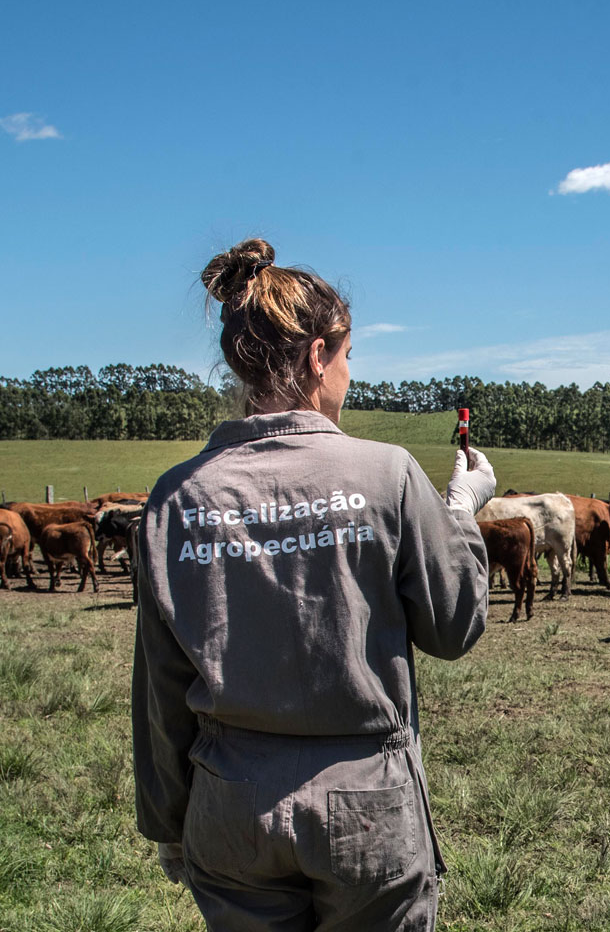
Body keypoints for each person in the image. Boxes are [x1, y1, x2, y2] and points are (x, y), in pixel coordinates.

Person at [132, 238, 494, 930]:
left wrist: (170, 823)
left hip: (230, 799)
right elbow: (454, 626)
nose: (349, 376)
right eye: (349, 356)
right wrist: (462, 508)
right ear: (319, 354)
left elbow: (162, 687)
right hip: (367, 803)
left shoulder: (174, 499)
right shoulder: (385, 474)